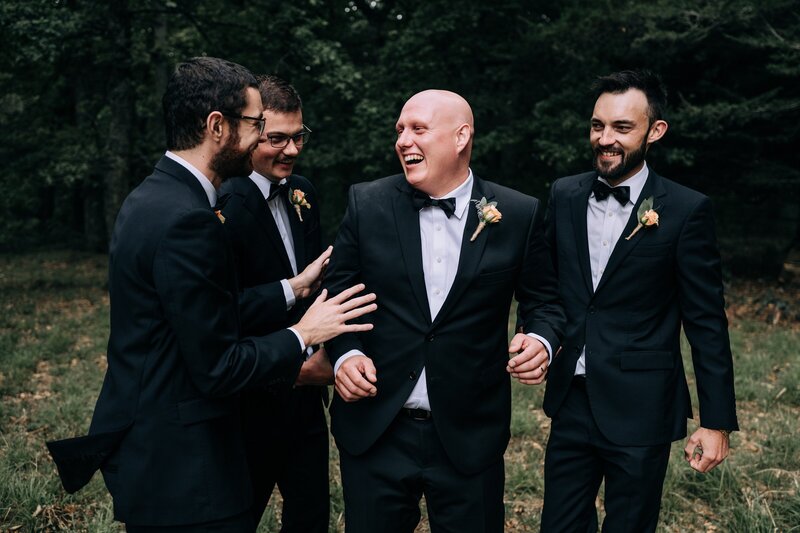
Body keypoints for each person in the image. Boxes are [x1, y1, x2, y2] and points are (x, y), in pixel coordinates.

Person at [45, 57, 376, 532]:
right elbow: (218, 365)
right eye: (257, 125)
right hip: (182, 466)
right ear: (217, 126)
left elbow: (194, 317)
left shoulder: (152, 196)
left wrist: (295, 287)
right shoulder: (189, 220)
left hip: (155, 449)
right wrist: (303, 333)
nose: (264, 137)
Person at [323, 89, 565, 532]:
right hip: (377, 428)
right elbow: (338, 293)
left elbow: (544, 301)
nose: (403, 141)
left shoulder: (517, 212)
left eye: (418, 129)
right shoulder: (366, 203)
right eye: (400, 130)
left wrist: (541, 340)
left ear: (461, 137)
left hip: (470, 433)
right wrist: (346, 353)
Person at [538, 70, 738, 532]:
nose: (605, 139)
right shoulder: (564, 194)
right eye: (597, 125)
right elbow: (545, 289)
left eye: (622, 128)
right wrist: (538, 338)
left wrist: (716, 421)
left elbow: (707, 321)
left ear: (655, 131)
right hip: (571, 398)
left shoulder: (686, 210)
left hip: (642, 403)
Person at [218, 75, 330, 531]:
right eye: (277, 139)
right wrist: (294, 288)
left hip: (306, 396)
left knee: (311, 515)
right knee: (240, 513)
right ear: (250, 135)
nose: (291, 150)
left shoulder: (302, 190)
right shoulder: (224, 200)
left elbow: (318, 284)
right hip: (250, 399)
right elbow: (221, 310)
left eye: (298, 136)